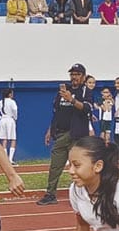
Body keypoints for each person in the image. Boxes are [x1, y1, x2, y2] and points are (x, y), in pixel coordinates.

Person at [38, 63, 93, 206]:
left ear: (83, 76)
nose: (74, 77)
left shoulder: (86, 90)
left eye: (77, 74)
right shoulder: (63, 90)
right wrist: (50, 130)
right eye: (72, 74)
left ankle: (84, 193)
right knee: (55, 165)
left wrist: (72, 100)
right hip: (61, 133)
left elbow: (87, 109)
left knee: (79, 164)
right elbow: (56, 111)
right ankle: (50, 194)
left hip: (76, 134)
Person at [0, 88, 18, 164]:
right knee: (13, 139)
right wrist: (15, 117)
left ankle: (5, 159)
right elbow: (15, 110)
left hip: (3, 120)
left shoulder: (1, 102)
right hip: (10, 120)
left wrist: (0, 117)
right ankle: (10, 159)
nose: (13, 95)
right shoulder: (12, 102)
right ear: (9, 94)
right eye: (12, 93)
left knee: (4, 139)